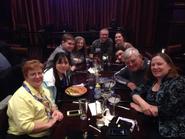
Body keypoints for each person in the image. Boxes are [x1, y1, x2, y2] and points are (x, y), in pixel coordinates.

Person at [130, 53, 185, 139]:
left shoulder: (178, 82)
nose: (155, 67)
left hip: (169, 130)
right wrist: (144, 105)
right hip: (149, 124)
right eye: (153, 65)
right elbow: (134, 93)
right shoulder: (152, 81)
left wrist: (141, 108)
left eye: (159, 64)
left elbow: (166, 111)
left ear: (169, 66)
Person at [6, 60, 63, 139]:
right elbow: (27, 127)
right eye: (33, 74)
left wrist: (55, 111)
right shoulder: (20, 98)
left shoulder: (41, 88)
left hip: (46, 131)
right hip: (24, 136)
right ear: (26, 77)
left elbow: (51, 104)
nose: (37, 76)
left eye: (39, 73)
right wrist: (50, 123)